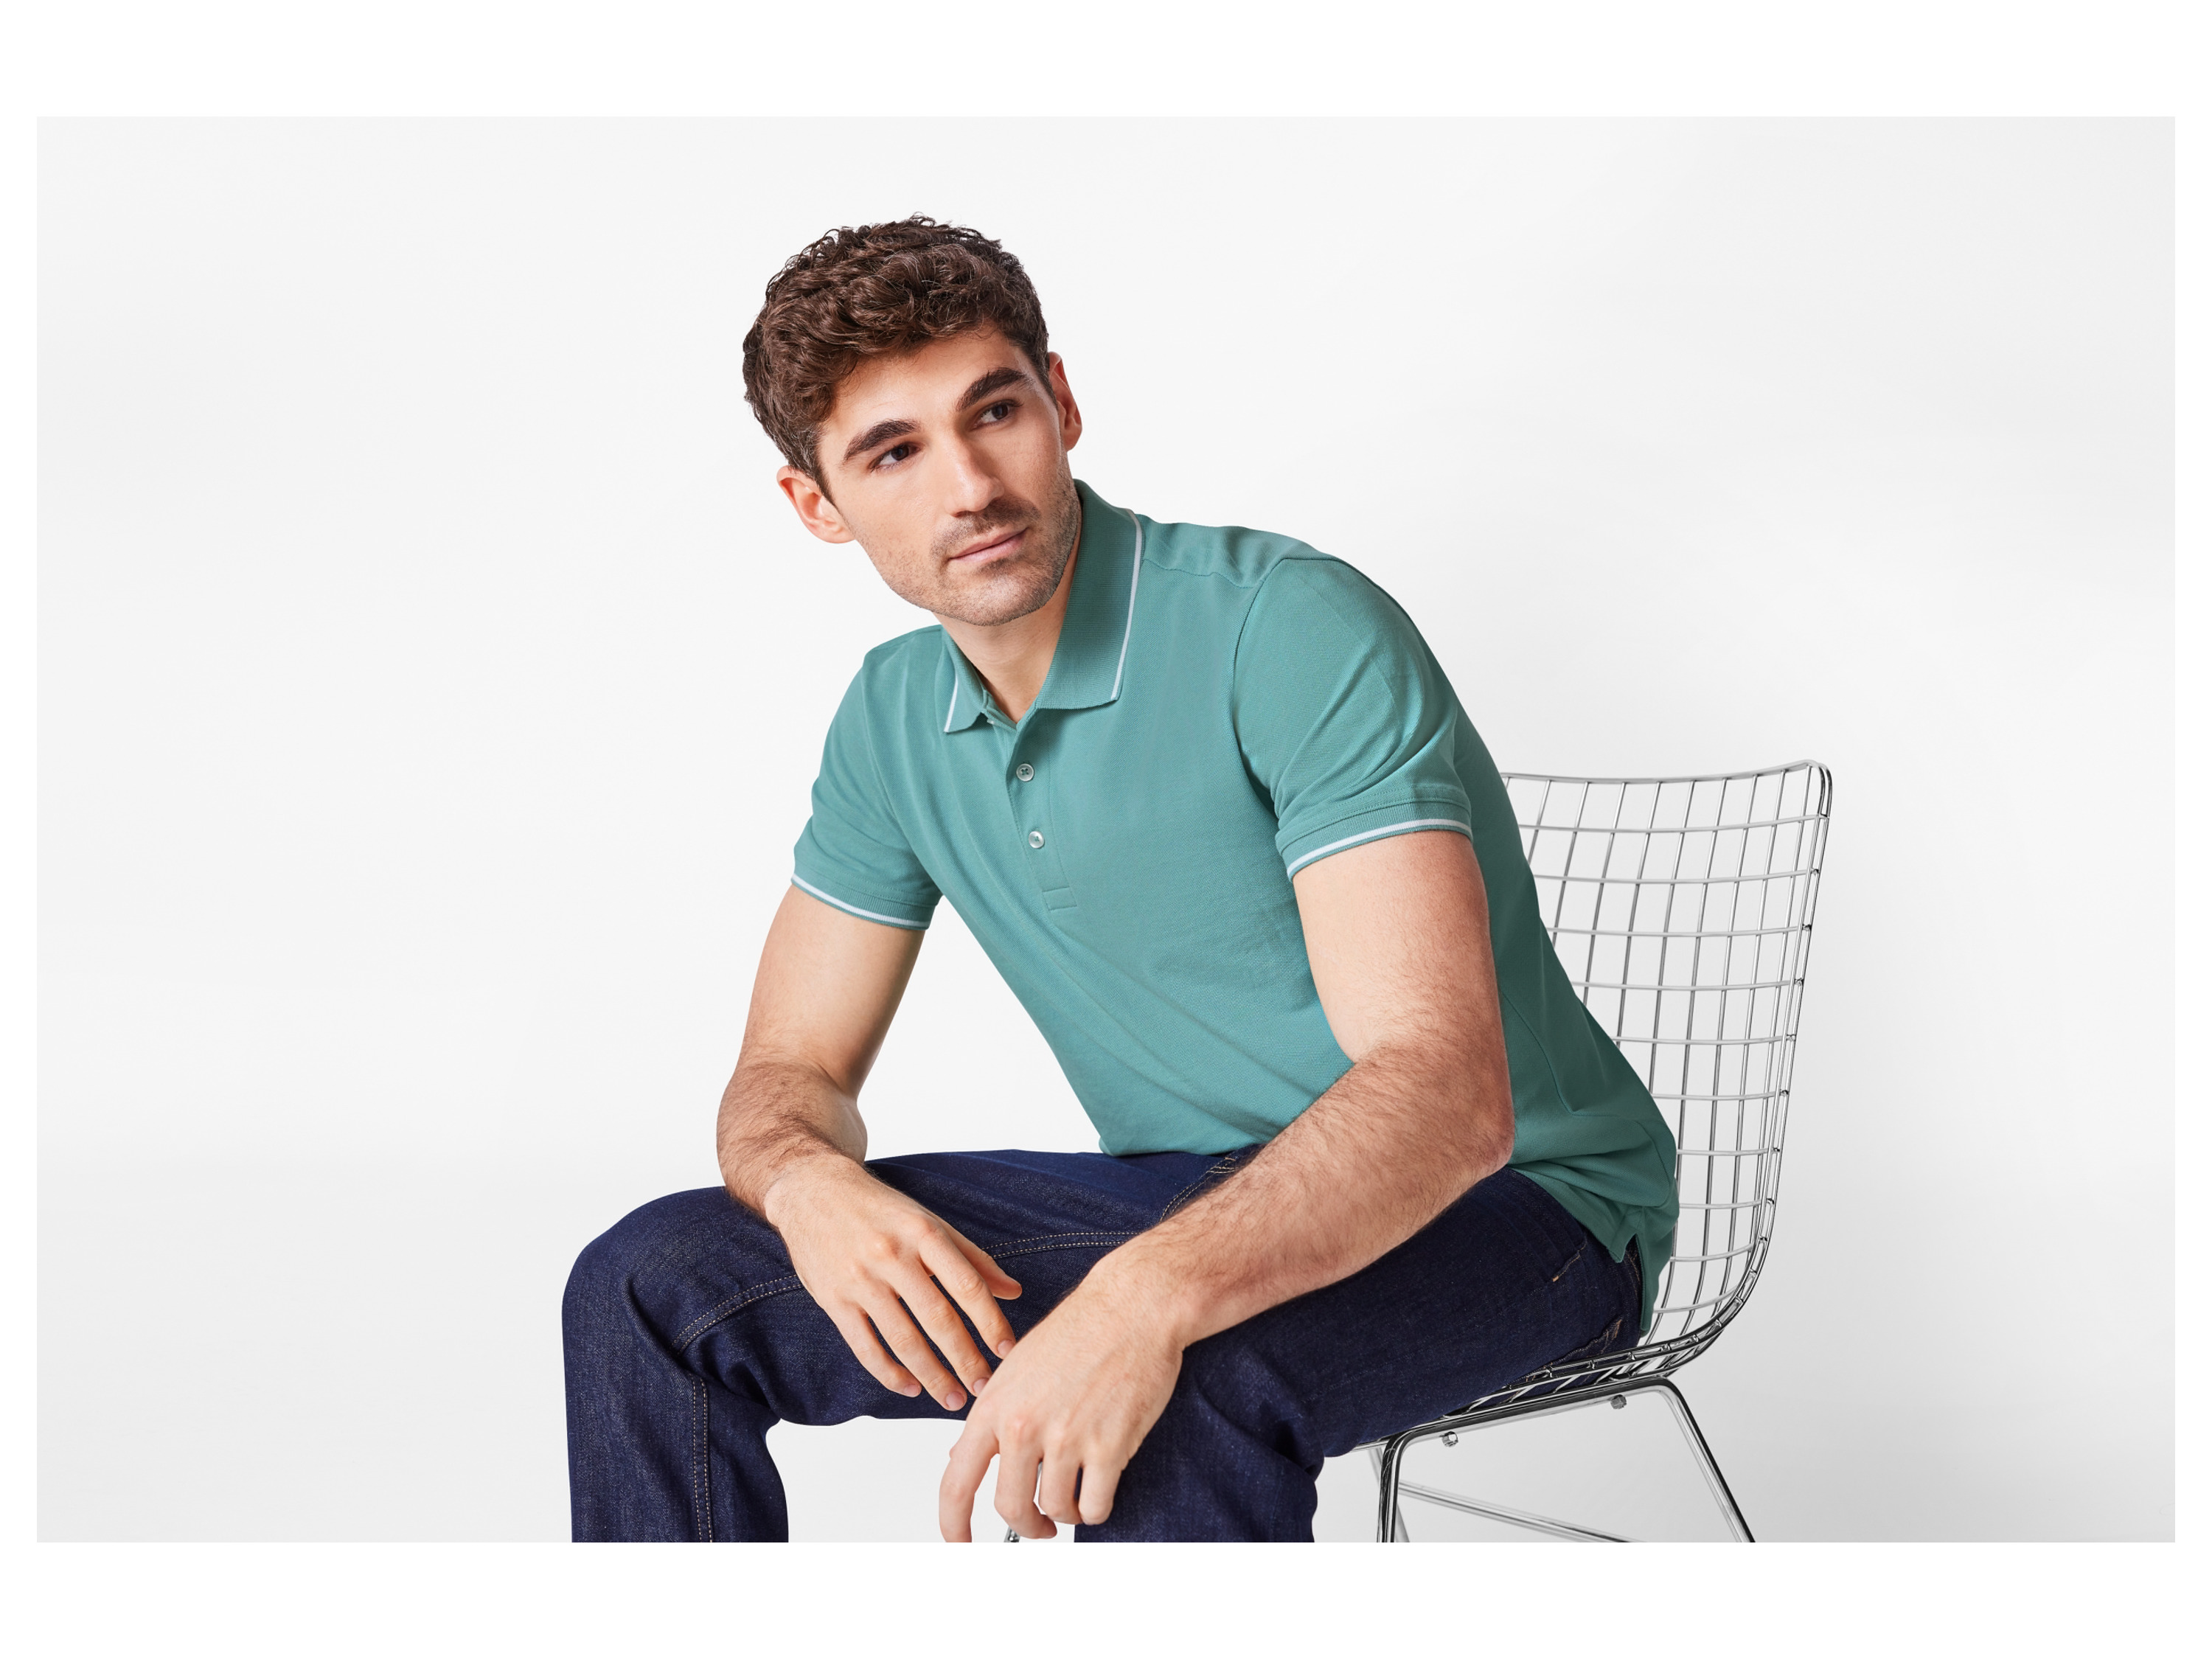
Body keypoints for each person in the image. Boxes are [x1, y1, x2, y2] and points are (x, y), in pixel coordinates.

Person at [562, 217, 1678, 1543]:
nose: (970, 486)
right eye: (894, 451)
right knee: (653, 1284)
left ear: (1063, 403)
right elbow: (788, 1069)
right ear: (817, 503)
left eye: (996, 411)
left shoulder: (1281, 625)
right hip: (1190, 1188)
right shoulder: (890, 718)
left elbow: (1446, 1098)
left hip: (1527, 1211)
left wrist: (1140, 1300)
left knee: (1179, 1378)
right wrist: (805, 1183)